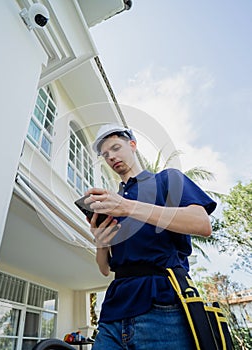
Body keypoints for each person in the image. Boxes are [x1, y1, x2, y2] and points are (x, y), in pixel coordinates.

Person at [84, 124, 217, 350]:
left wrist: (127, 207)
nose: (112, 157)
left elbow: (201, 223)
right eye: (106, 154)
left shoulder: (167, 180)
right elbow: (105, 269)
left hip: (162, 307)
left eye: (116, 148)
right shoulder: (111, 203)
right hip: (113, 313)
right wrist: (101, 242)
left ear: (133, 145)